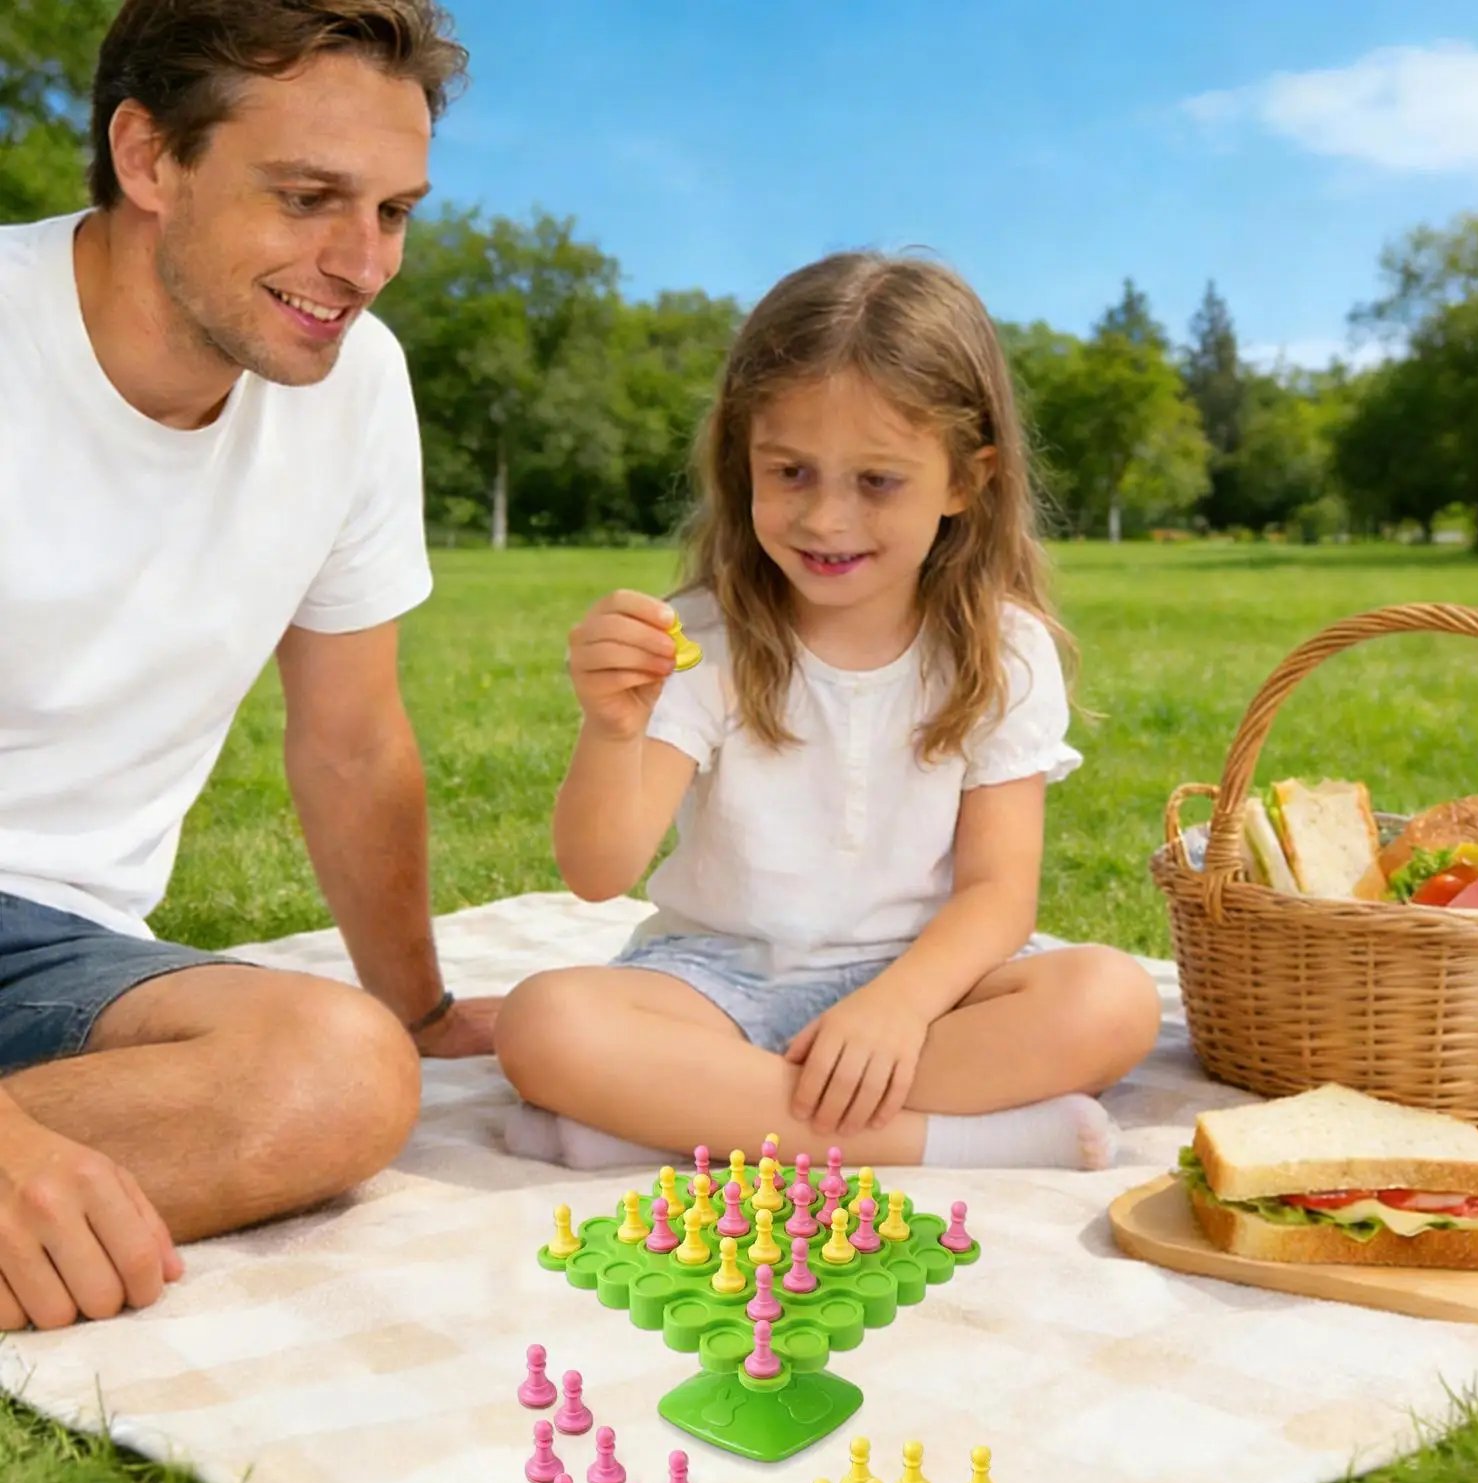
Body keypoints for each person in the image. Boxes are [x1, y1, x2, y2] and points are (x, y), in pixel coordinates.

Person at [0, 0, 495, 1333]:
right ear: (150, 160)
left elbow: (352, 738)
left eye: (394, 211)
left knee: (344, 1073)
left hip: (51, 957)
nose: (364, 261)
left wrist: (421, 1006)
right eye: (309, 198)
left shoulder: (355, 385)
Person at [496, 251, 1161, 1171]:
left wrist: (897, 1005)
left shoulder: (1005, 649)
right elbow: (597, 871)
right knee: (545, 1023)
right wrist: (610, 729)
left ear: (965, 482)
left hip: (927, 984)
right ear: (744, 461)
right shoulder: (704, 636)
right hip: (717, 983)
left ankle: (688, 1119)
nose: (825, 519)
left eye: (876, 481)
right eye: (791, 472)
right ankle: (954, 1144)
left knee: (1111, 999)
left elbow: (997, 893)